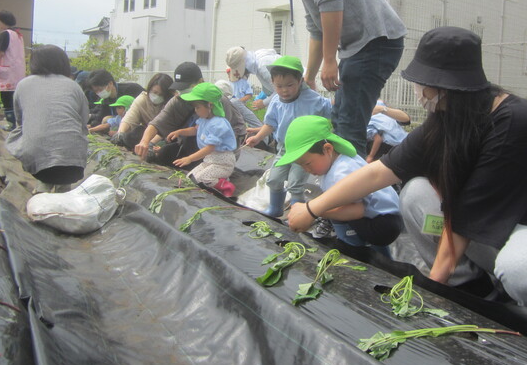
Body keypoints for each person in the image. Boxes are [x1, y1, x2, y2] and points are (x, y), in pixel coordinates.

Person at [288, 27, 527, 313]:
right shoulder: (449, 119)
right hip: (491, 233)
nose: (419, 92)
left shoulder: (512, 124)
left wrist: (432, 290)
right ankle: (470, 286)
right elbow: (377, 173)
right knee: (414, 194)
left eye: (424, 85)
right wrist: (314, 209)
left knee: (526, 271)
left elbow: (465, 217)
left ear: (448, 88)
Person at [231, 0, 406, 155]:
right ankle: (345, 183)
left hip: (374, 42)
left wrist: (330, 60)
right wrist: (309, 76)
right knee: (341, 118)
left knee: (349, 128)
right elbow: (316, 27)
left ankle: (350, 188)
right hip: (361, 46)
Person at [278, 115, 401, 257]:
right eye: (301, 165)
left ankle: (352, 251)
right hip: (387, 218)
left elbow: (358, 210)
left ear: (327, 149)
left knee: (334, 210)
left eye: (307, 163)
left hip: (382, 224)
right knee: (331, 205)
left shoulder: (341, 172)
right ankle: (384, 260)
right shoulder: (339, 159)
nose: (306, 170)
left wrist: (316, 212)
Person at [246, 56, 332, 217]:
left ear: (300, 81)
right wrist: (257, 137)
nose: (284, 90)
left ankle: (297, 213)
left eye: (290, 85)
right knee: (273, 179)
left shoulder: (312, 99)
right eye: (279, 86)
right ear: (272, 83)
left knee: (295, 184)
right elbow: (270, 124)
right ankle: (276, 208)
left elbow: (332, 111)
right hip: (284, 149)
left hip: (304, 149)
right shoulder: (276, 102)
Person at [6, 45, 88, 193]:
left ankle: (43, 187)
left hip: (38, 163)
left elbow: (20, 121)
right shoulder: (74, 86)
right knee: (76, 136)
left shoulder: (23, 84)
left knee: (20, 132)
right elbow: (83, 123)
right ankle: (63, 189)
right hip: (74, 165)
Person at [134, 62, 246, 168]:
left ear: (200, 82)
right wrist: (145, 142)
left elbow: (217, 140)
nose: (182, 92)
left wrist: (191, 158)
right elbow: (158, 123)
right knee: (165, 155)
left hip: (220, 150)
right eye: (180, 89)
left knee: (198, 169)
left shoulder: (216, 101)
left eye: (186, 88)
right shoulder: (178, 100)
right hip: (196, 139)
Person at [169, 83, 237, 196]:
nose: (195, 110)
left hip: (222, 163)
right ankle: (215, 182)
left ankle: (225, 185)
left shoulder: (218, 124)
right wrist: (180, 132)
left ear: (210, 105)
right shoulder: (204, 120)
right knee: (191, 178)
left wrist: (190, 158)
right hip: (209, 160)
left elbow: (210, 148)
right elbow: (195, 130)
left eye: (198, 107)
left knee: (202, 179)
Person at [113, 73, 174, 149]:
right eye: (154, 92)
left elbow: (163, 128)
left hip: (164, 138)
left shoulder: (171, 104)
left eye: (161, 95)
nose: (157, 96)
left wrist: (150, 143)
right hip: (146, 136)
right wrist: (120, 133)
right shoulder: (142, 99)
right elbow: (129, 118)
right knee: (135, 133)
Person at [0, 10, 26, 127]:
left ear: (2, 21)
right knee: (15, 99)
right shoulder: (18, 35)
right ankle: (17, 123)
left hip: (8, 72)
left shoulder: (5, 34)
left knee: (7, 99)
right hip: (18, 72)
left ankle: (11, 124)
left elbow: (0, 53)